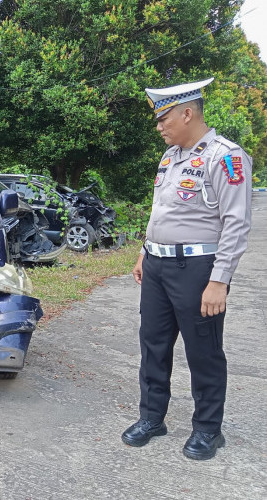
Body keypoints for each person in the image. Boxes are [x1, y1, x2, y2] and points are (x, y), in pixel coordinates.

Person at [121, 78, 252, 460]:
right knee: (154, 345)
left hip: (197, 269)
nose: (159, 127)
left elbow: (236, 223)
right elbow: (160, 210)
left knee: (203, 351)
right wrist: (145, 252)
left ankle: (209, 430)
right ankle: (152, 418)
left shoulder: (225, 157)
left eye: (163, 119)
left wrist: (219, 280)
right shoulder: (171, 158)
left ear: (187, 113)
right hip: (158, 266)